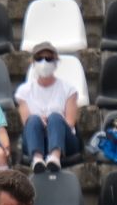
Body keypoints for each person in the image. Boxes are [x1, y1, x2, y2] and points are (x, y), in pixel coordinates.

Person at [14, 43, 80, 172]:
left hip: (64, 139)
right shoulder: (24, 91)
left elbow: (70, 122)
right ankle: (37, 159)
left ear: (56, 62)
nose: (44, 62)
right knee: (33, 120)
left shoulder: (68, 89)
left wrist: (50, 122)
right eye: (39, 58)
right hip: (36, 137)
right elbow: (26, 122)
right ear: (33, 62)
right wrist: (42, 123)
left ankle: (55, 157)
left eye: (49, 58)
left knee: (55, 117)